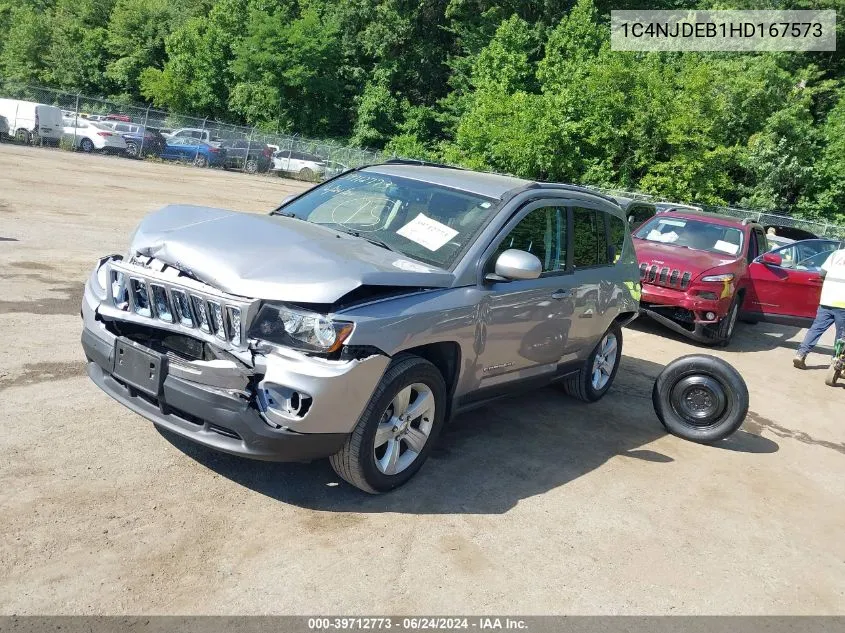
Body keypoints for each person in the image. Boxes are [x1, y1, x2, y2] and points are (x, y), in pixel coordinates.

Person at [794, 246, 845, 369]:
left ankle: (801, 354)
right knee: (842, 335)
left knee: (816, 329)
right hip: (843, 304)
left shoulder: (835, 255)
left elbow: (822, 273)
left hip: (827, 300)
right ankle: (836, 362)